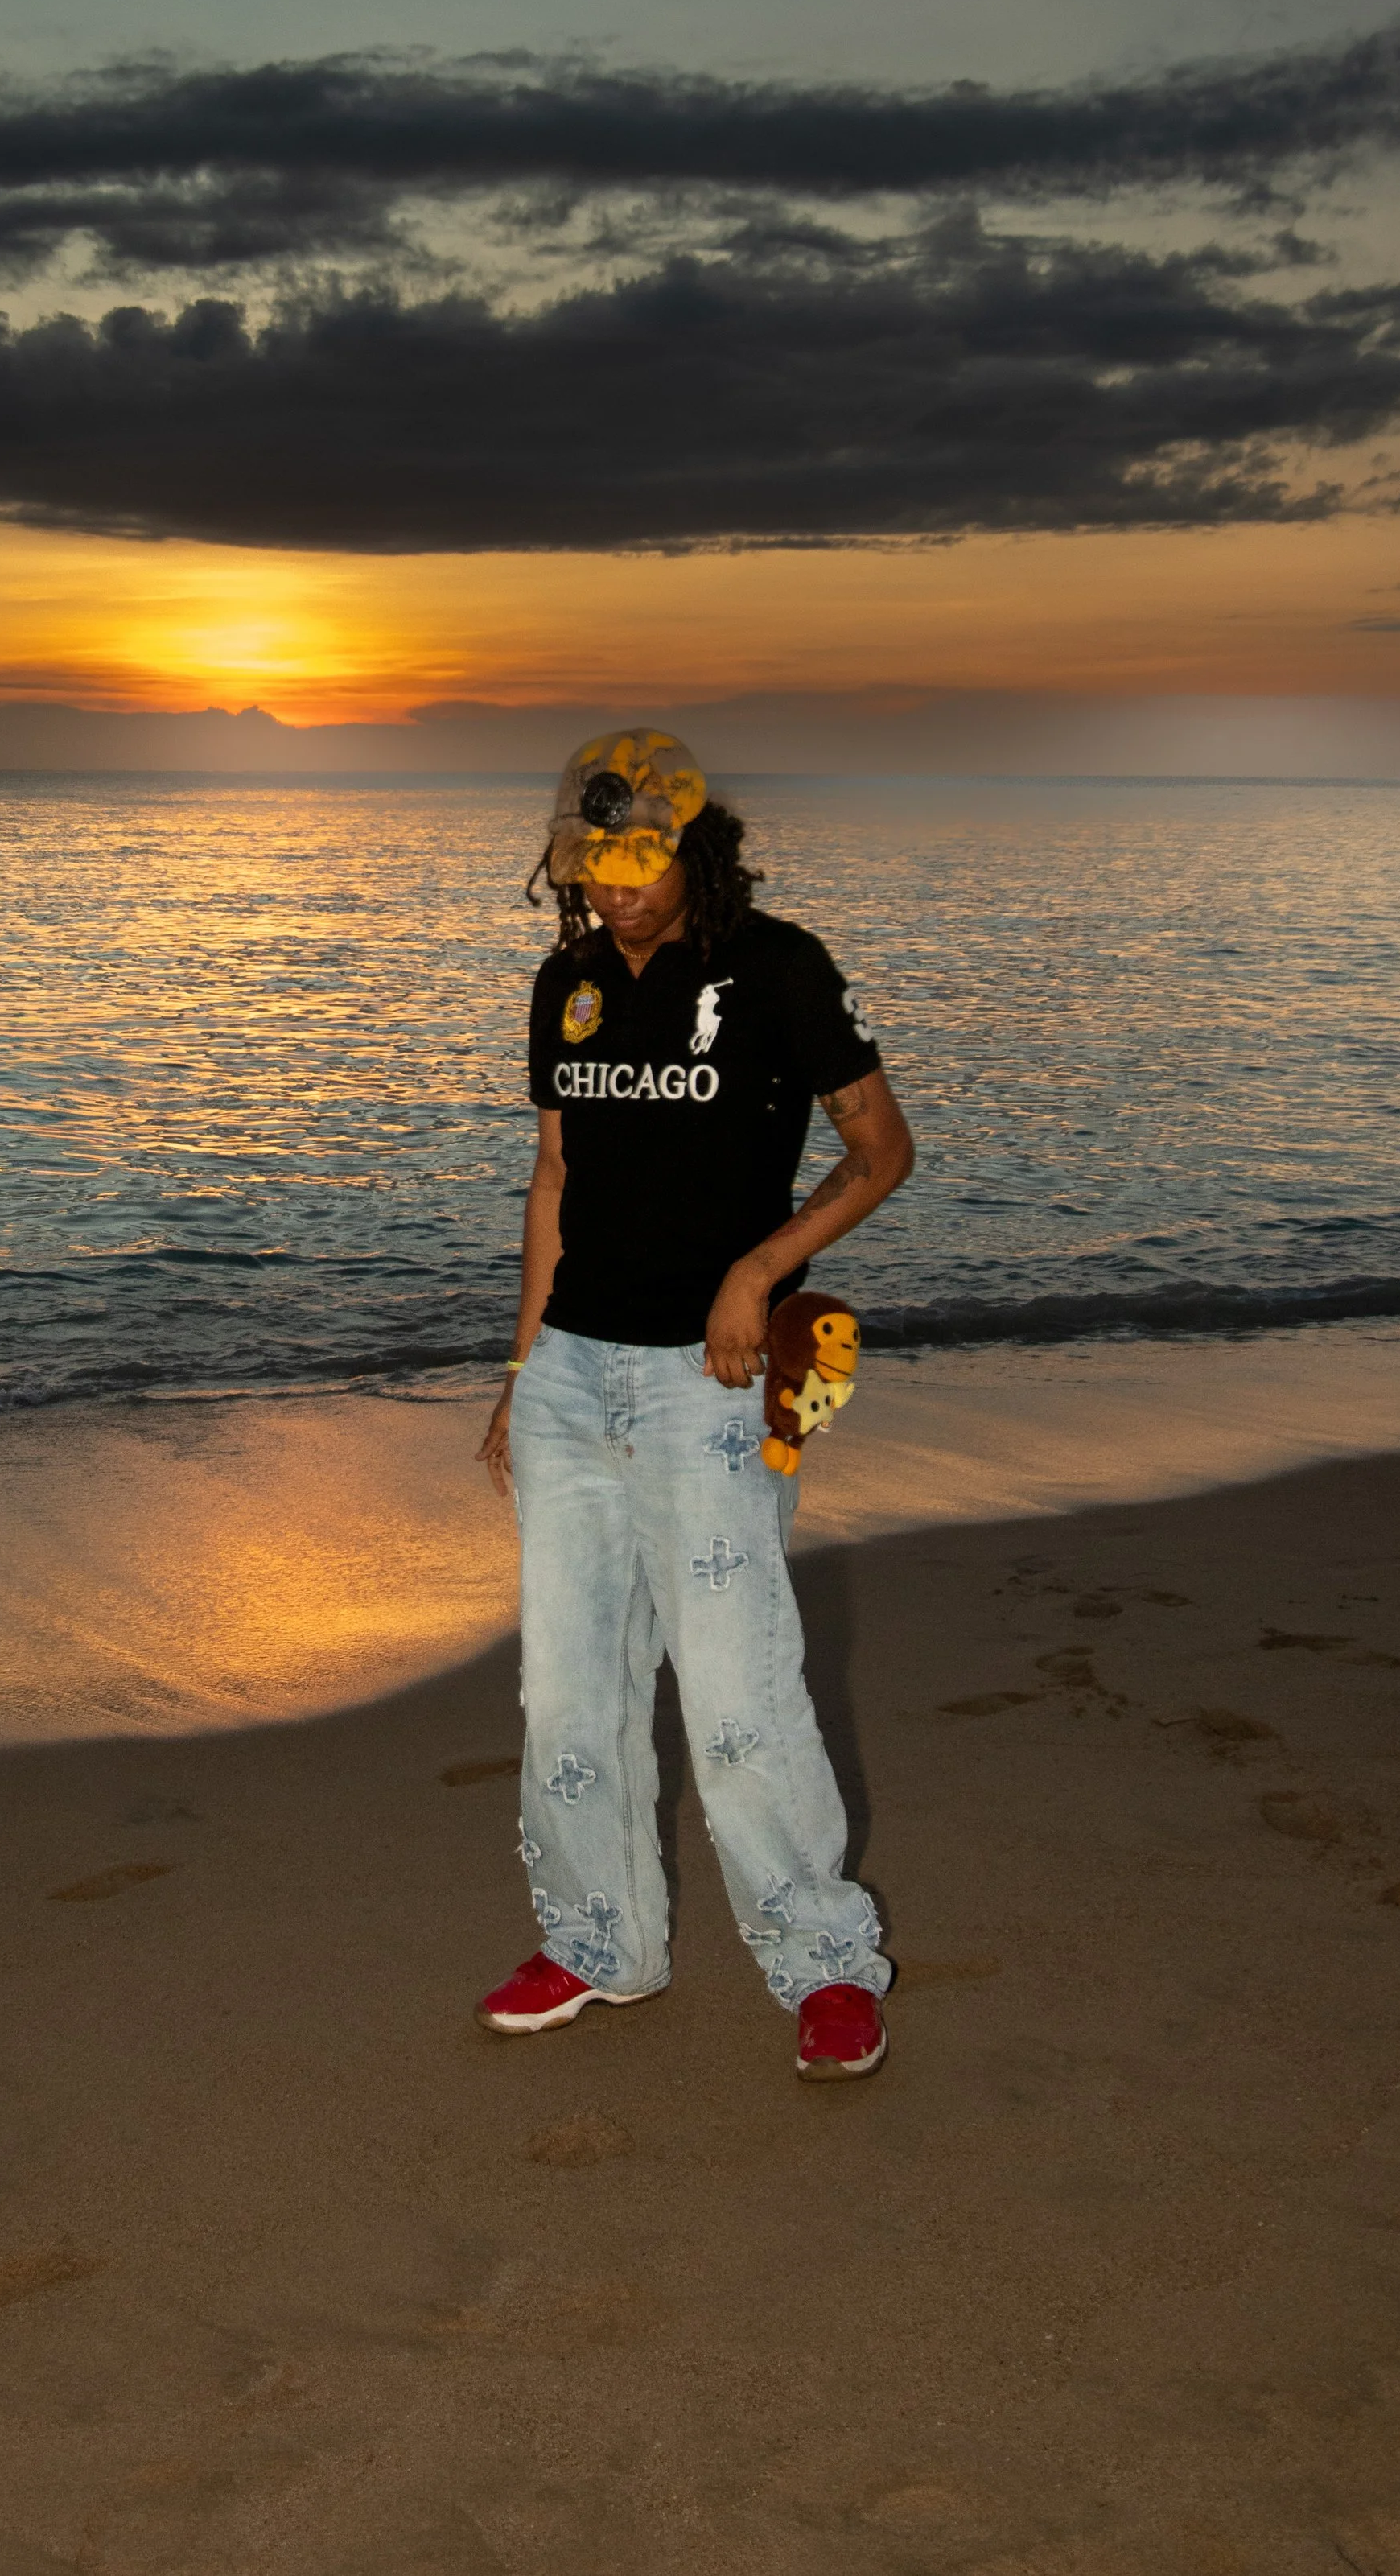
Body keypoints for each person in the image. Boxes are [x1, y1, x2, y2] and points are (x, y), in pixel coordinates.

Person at [476, 728, 915, 2080]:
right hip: (569, 1380)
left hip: (709, 1387)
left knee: (735, 1697)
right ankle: (604, 1941)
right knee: (568, 1690)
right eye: (593, 875)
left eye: (636, 872)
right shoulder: (568, 985)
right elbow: (554, 1178)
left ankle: (826, 1961)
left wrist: (760, 1267)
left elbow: (880, 1147)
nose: (613, 896)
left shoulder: (778, 970)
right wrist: (519, 1370)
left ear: (695, 848)